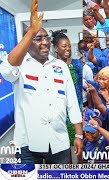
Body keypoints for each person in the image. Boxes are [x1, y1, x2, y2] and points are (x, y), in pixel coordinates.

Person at [1, 0, 82, 163]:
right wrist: (31, 31)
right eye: (38, 38)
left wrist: (79, 134)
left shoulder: (60, 66)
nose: (45, 42)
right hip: (27, 144)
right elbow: (6, 69)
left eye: (46, 38)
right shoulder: (21, 65)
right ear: (28, 42)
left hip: (59, 142)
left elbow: (72, 102)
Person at [51, 31, 83, 108]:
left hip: (77, 105)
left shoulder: (77, 64)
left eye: (69, 46)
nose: (68, 49)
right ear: (56, 48)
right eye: (64, 46)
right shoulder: (51, 66)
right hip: (58, 107)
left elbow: (81, 86)